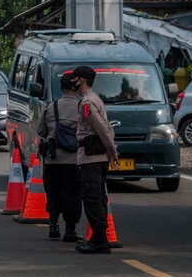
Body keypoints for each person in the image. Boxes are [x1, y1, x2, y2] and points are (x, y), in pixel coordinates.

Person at [71, 66, 120, 254]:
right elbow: (107, 128)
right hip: (95, 156)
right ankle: (98, 238)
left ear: (81, 80)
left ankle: (100, 241)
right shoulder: (93, 99)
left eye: (74, 79)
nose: (72, 82)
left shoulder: (88, 102)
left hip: (91, 158)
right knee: (97, 198)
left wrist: (112, 151)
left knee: (92, 199)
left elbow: (101, 128)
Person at [36, 74, 82, 241]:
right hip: (75, 159)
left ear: (61, 88)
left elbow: (40, 130)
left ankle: (53, 225)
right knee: (73, 194)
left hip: (53, 158)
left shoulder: (51, 106)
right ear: (76, 88)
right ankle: (70, 230)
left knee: (53, 191)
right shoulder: (81, 106)